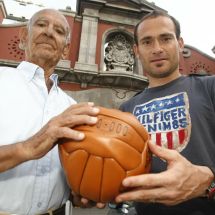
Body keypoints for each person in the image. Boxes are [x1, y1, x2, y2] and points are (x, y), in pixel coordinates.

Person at [0, 9, 100, 215]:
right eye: (41, 24)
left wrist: (83, 193)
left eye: (59, 31)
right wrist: (28, 148)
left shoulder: (72, 107)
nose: (49, 32)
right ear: (23, 37)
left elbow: (71, 183)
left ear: (65, 50)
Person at [115, 10, 215, 215]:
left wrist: (209, 184)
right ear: (136, 50)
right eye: (147, 42)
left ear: (180, 43)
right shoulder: (125, 110)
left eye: (166, 38)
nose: (157, 49)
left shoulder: (210, 87)